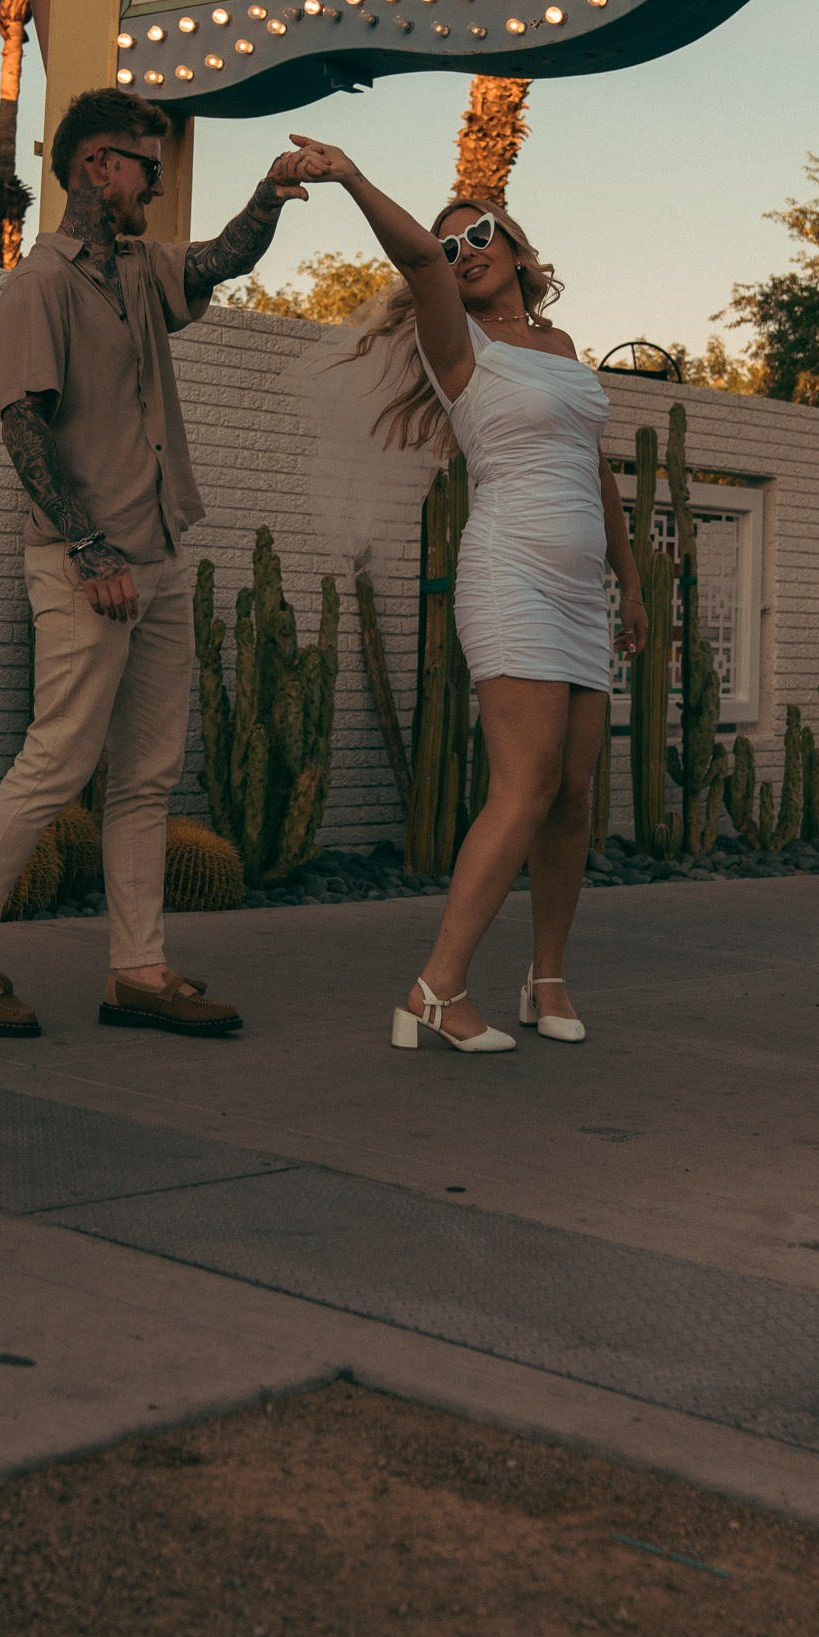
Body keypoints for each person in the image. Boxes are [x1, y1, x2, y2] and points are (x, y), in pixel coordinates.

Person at [0, 88, 313, 1042]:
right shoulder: (39, 282)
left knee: (146, 778)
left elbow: (218, 259)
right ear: (99, 164)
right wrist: (88, 547)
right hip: (86, 564)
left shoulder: (139, 268)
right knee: (57, 760)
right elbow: (22, 424)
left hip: (161, 554)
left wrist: (268, 194)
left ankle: (138, 969)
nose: (157, 185)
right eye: (147, 166)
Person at [290, 138, 649, 1051]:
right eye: (450, 247)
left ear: (520, 249)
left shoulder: (564, 347)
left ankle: (548, 978)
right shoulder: (457, 342)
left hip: (580, 595)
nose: (463, 251)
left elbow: (595, 471)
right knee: (523, 787)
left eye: (481, 233)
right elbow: (412, 257)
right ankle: (436, 990)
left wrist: (632, 583)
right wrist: (351, 176)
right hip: (511, 576)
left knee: (572, 795)